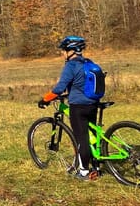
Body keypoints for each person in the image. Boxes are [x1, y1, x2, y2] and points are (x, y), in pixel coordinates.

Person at [37, 35, 100, 181]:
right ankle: (96, 166)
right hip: (93, 104)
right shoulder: (89, 62)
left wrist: (45, 99)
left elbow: (59, 88)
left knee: (81, 138)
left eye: (63, 50)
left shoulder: (71, 66)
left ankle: (84, 172)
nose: (62, 53)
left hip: (79, 107)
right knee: (92, 135)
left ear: (70, 51)